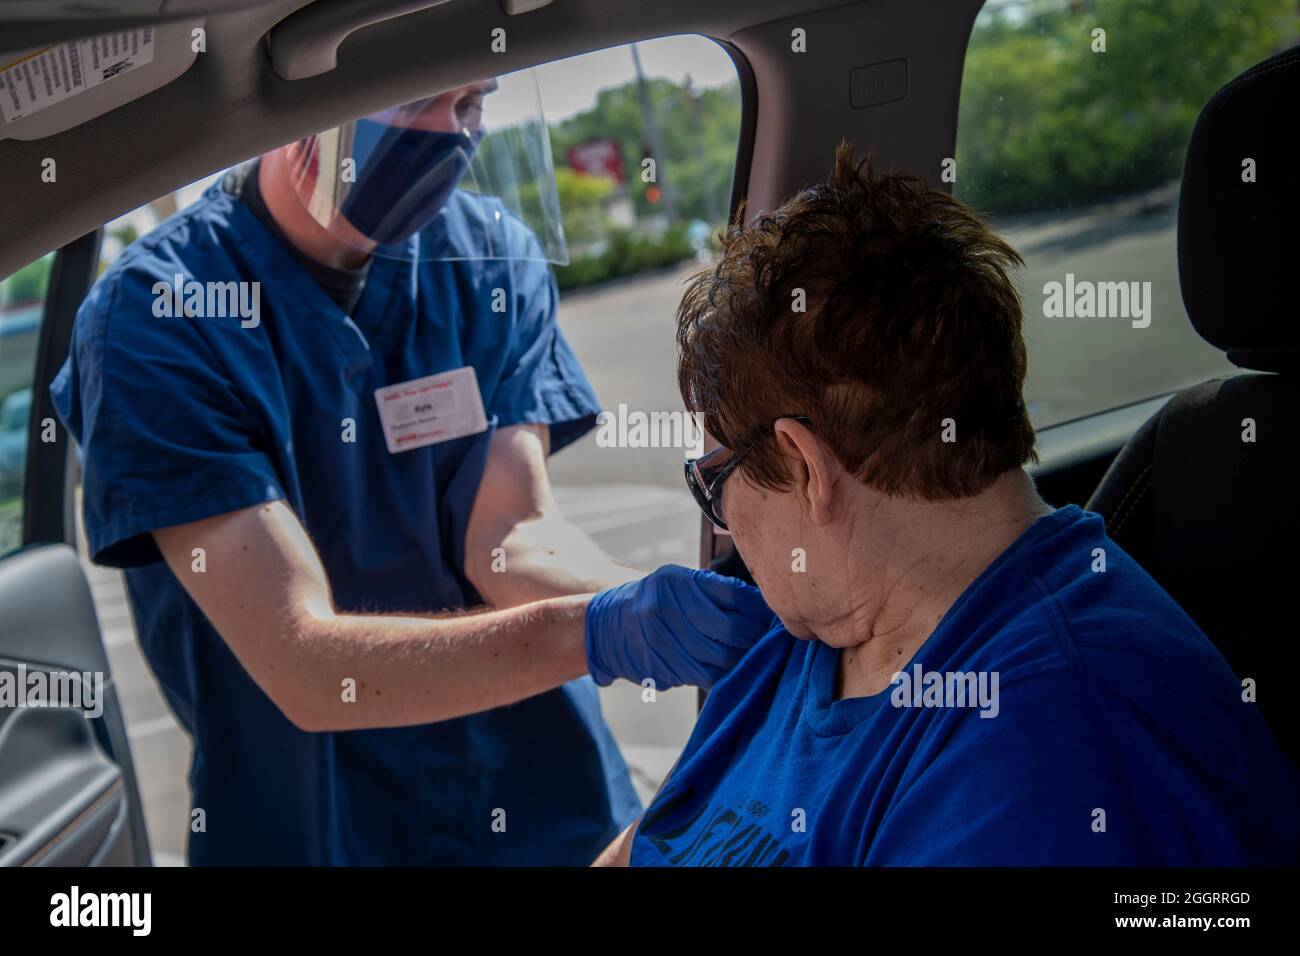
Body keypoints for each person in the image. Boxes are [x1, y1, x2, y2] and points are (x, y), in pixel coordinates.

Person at [50, 77, 770, 866]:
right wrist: (597, 633)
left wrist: (646, 601)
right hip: (321, 824)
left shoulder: (488, 260)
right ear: (301, 113)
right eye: (416, 97)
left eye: (472, 102)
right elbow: (305, 660)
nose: (450, 133)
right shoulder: (161, 313)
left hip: (543, 804)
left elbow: (509, 536)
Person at [594, 144, 1299, 866]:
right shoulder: (805, 644)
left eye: (715, 482)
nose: (727, 525)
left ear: (807, 467)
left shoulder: (1050, 745)